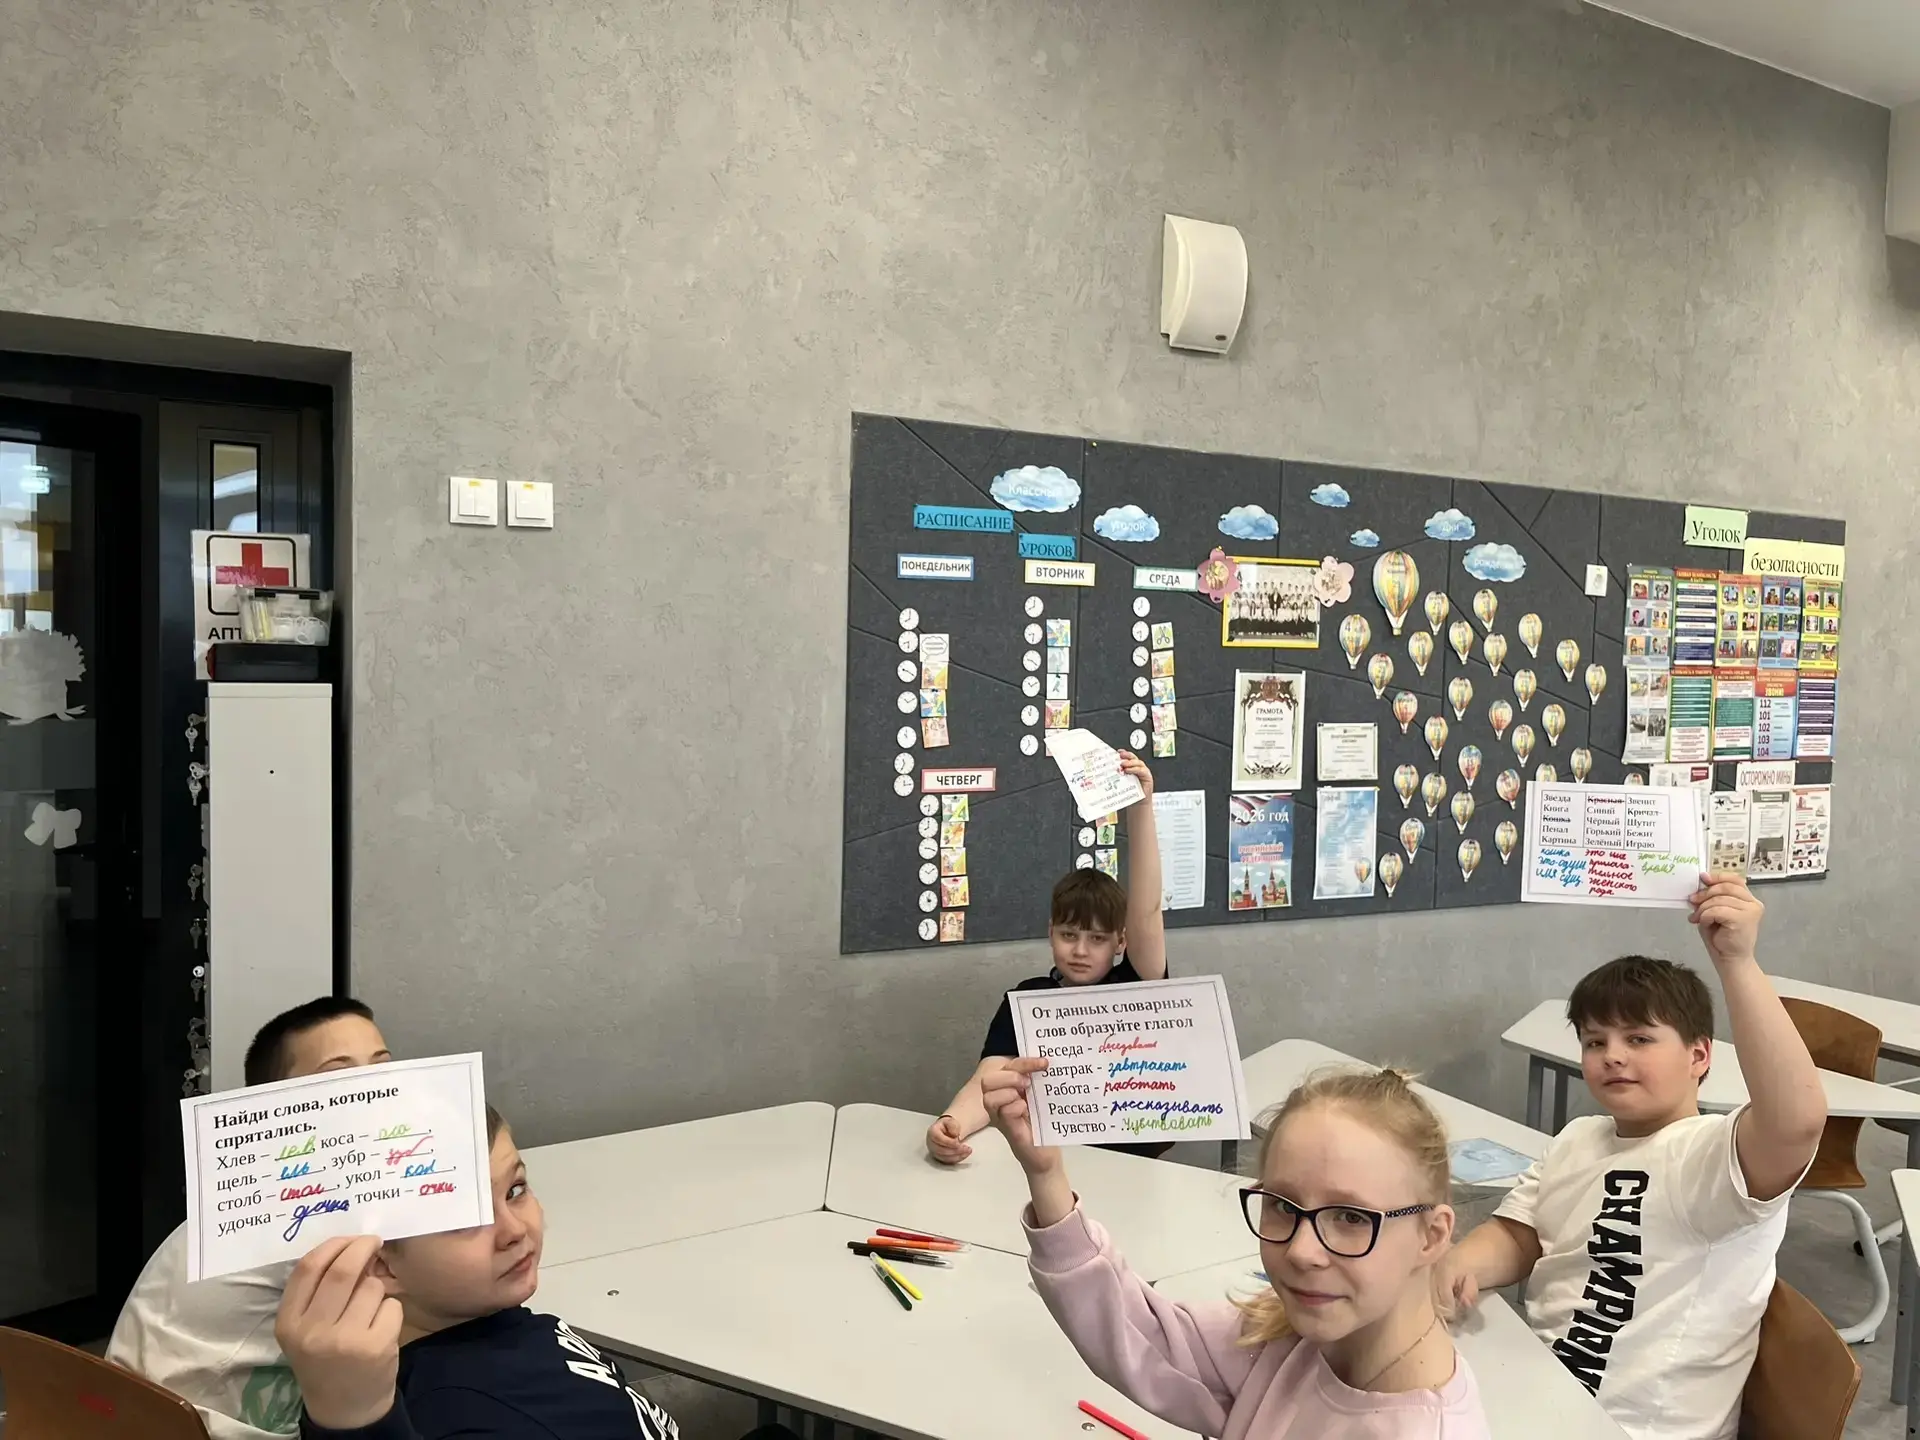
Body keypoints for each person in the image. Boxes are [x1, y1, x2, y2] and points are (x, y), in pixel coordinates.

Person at [1440, 876, 1824, 1440]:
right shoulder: (1578, 1138)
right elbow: (1521, 1233)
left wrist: (1737, 963)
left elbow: (1797, 1121)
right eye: (1595, 1042)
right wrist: (1458, 1267)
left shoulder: (1714, 1157)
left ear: (1699, 1056)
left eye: (1639, 1039)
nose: (1612, 1056)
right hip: (1541, 1392)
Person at [980, 1059, 1489, 1438]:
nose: (1302, 1251)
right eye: (1283, 1205)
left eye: (1351, 1218)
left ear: (1431, 1236)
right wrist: (1046, 1175)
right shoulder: (1294, 1341)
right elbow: (1147, 1339)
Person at [274, 1108, 795, 1440]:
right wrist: (353, 1421)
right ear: (382, 1263)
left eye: (515, 1190)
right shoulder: (456, 1412)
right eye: (466, 1220)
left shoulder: (492, 1320)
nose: (514, 1230)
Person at [108, 997, 394, 1439]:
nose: (373, 1090)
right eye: (339, 1078)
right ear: (276, 1108)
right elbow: (437, 1302)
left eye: (383, 1068)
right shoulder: (302, 1211)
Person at [926, 749, 1166, 1164]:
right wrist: (951, 1124)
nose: (1080, 950)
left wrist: (1141, 806)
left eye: (1097, 939)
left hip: (1134, 1167)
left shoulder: (1135, 984)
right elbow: (989, 1079)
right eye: (1069, 935)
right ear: (1050, 932)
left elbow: (1147, 912)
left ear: (1120, 943)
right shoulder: (1027, 999)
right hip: (1050, 1162)